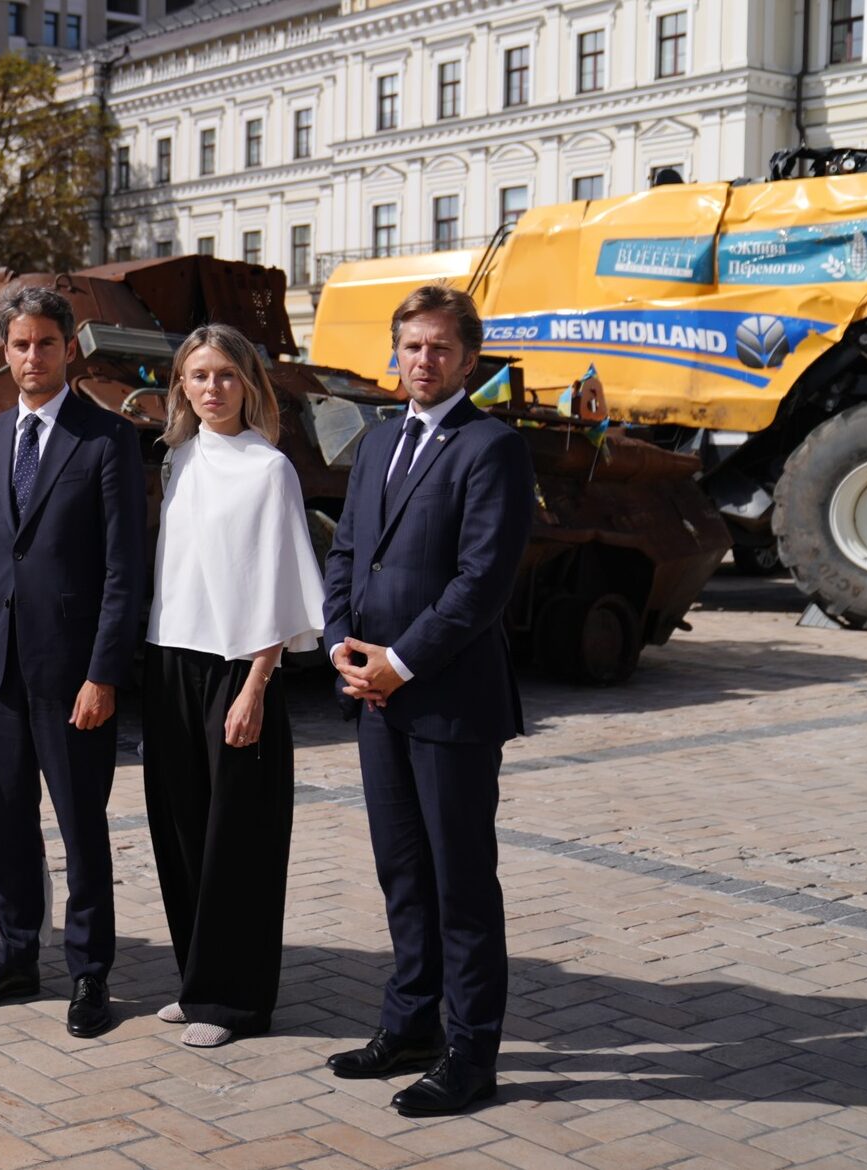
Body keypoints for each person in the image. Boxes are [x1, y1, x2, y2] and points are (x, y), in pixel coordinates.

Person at [322, 283, 534, 1116]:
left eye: (440, 348)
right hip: (376, 699)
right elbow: (347, 552)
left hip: (448, 703)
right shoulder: (376, 444)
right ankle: (410, 1025)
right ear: (395, 351)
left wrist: (399, 663)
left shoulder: (493, 449)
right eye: (411, 346)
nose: (423, 360)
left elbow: (481, 584)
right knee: (402, 873)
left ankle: (472, 1055)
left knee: (461, 886)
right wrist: (341, 643)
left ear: (469, 359)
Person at [0, 286, 145, 1038]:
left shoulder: (106, 439)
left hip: (74, 679)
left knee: (80, 825)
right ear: (5, 352)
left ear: (70, 349)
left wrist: (104, 673)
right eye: (20, 345)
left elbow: (125, 571)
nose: (32, 357)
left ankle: (90, 972)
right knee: (8, 821)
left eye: (46, 344)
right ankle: (17, 950)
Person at [142, 325, 324, 1047]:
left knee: (236, 844)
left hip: (237, 671)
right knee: (180, 831)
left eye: (224, 375)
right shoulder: (176, 461)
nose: (211, 388)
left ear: (247, 382)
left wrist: (256, 684)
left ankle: (236, 1002)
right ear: (180, 387)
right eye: (197, 375)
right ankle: (197, 983)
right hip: (170, 662)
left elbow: (278, 580)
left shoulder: (268, 468)